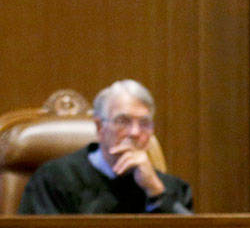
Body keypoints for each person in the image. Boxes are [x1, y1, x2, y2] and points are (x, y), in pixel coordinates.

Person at [18, 80, 192, 215]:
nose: (135, 132)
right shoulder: (54, 179)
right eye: (123, 121)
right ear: (100, 127)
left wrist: (155, 190)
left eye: (144, 123)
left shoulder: (172, 189)